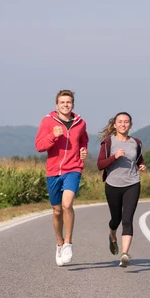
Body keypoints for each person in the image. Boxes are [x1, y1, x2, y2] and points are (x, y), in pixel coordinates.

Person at [35, 89, 89, 266]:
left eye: (69, 102)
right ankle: (59, 244)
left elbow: (84, 140)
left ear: (73, 104)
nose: (66, 105)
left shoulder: (80, 123)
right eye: (62, 102)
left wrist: (83, 150)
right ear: (57, 105)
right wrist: (53, 135)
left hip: (73, 168)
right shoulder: (48, 121)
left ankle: (68, 243)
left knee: (67, 205)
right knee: (57, 210)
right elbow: (39, 146)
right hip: (53, 171)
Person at [97, 112, 146, 268]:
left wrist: (141, 166)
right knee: (115, 219)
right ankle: (112, 235)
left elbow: (138, 159)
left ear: (130, 125)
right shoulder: (108, 142)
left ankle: (124, 254)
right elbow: (100, 165)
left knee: (127, 220)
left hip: (132, 183)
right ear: (114, 125)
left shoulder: (136, 143)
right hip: (112, 185)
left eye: (126, 122)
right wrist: (114, 157)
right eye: (120, 122)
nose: (123, 124)